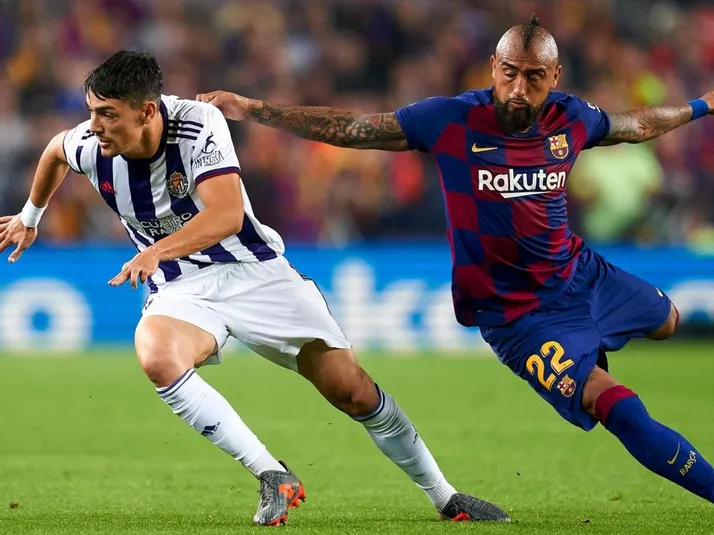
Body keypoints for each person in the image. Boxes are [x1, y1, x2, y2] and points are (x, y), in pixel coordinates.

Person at [198, 15, 714, 505]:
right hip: (518, 317)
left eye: (534, 77)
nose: (518, 88)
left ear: (555, 76)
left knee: (668, 322)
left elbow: (635, 124)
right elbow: (352, 128)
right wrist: (256, 109)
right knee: (617, 406)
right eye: (509, 73)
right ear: (493, 67)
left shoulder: (572, 117)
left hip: (580, 274)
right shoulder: (451, 120)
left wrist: (701, 106)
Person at [0, 51, 510, 526]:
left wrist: (156, 250)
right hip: (183, 286)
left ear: (147, 111)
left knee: (351, 390)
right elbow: (54, 151)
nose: (94, 125)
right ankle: (272, 474)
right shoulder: (91, 145)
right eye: (92, 111)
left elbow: (225, 214)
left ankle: (445, 496)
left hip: (255, 273)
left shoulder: (198, 124)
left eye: (108, 114)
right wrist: (30, 217)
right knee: (156, 355)